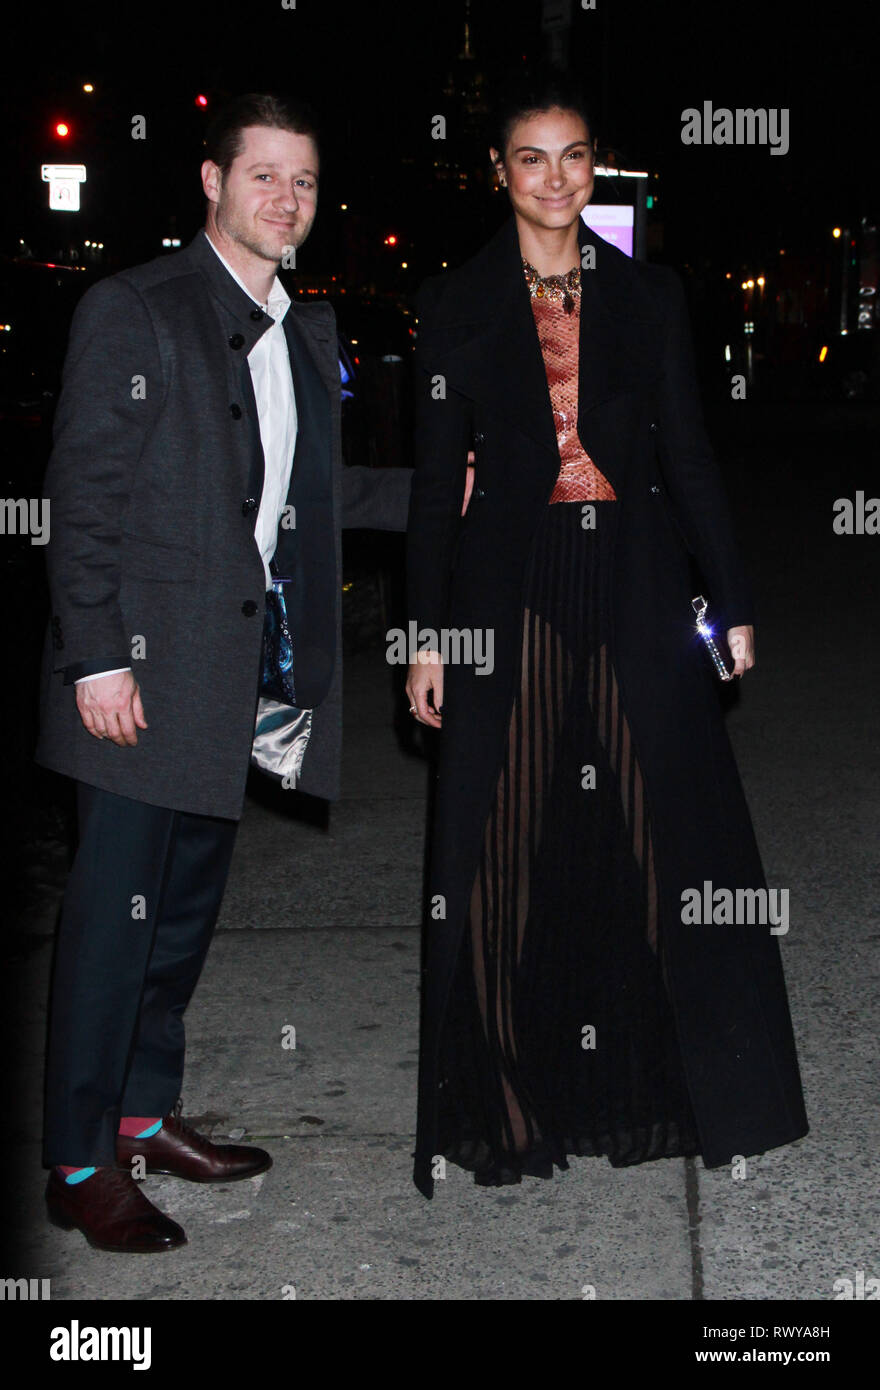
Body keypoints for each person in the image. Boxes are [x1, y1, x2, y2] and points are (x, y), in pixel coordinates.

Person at [405, 69, 808, 1198]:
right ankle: (503, 1106)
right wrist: (425, 636)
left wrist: (727, 602)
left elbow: (688, 461)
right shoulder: (452, 302)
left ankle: (681, 1089)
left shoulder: (651, 296)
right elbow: (437, 491)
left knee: (662, 838)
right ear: (499, 171)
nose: (553, 177)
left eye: (573, 154)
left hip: (628, 577)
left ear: (596, 167)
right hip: (508, 586)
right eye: (530, 157)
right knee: (500, 849)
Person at [36, 92, 412, 1251]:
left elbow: (306, 502)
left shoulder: (303, 329)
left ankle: (146, 1115)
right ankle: (79, 1159)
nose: (285, 200)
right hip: (136, 682)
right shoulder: (136, 308)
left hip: (233, 679)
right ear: (210, 181)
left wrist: (445, 500)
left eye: (302, 181)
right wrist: (96, 656)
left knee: (180, 918)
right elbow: (81, 502)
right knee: (111, 926)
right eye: (264, 176)